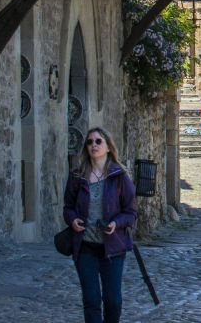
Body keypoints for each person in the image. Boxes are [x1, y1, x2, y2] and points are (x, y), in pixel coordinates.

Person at [63, 126, 137, 323]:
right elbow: (68, 207)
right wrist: (72, 220)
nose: (93, 145)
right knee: (91, 300)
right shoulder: (77, 175)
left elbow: (131, 213)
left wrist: (115, 223)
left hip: (112, 248)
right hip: (85, 247)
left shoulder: (120, 176)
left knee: (113, 301)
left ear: (107, 146)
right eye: (89, 142)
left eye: (98, 141)